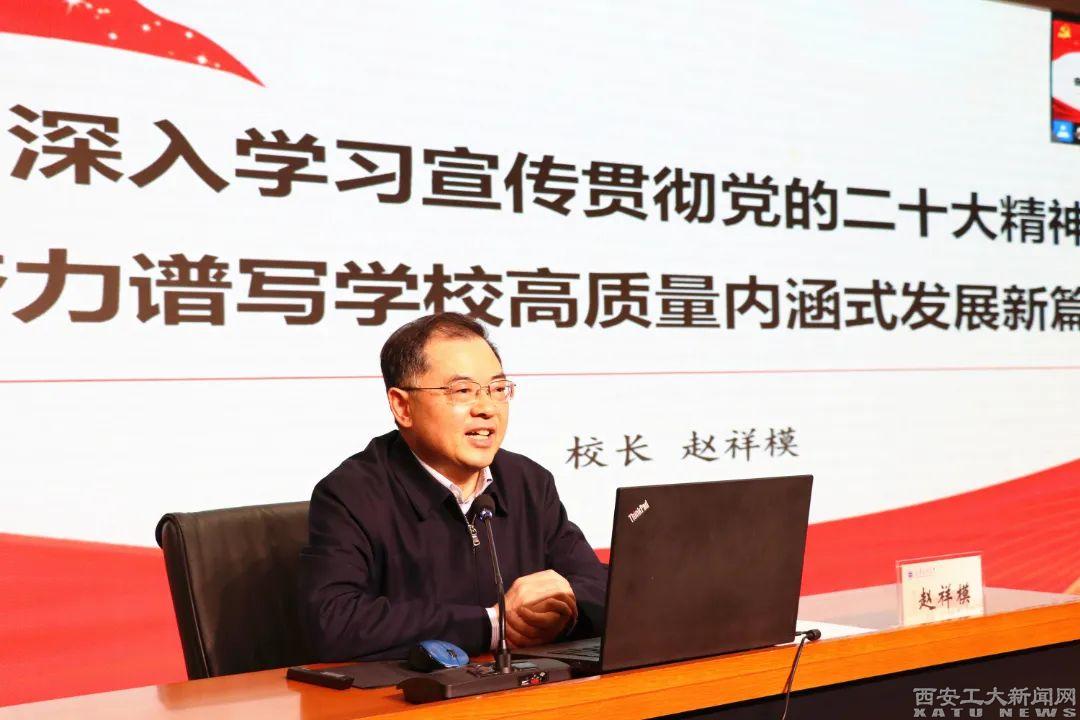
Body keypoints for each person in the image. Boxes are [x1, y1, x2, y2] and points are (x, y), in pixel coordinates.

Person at [299, 313, 607, 661]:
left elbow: (598, 586)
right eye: (462, 391)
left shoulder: (528, 482)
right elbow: (334, 622)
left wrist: (563, 607)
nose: (487, 408)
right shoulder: (351, 494)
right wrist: (492, 624)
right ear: (402, 406)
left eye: (497, 389)